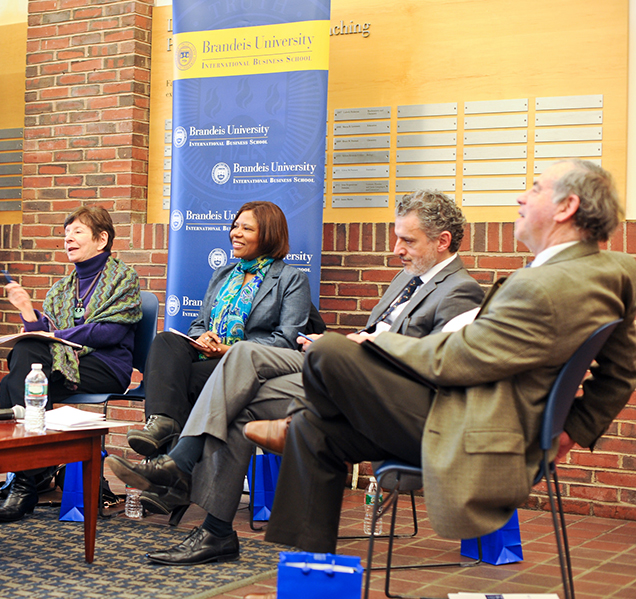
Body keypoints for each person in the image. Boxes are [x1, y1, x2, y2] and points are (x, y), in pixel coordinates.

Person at [252, 159, 636, 556]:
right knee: (314, 432)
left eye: (536, 188)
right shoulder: (619, 270)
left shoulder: (542, 285)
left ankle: (297, 417)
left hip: (470, 429)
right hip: (469, 415)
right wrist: (574, 429)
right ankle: (307, 569)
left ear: (566, 207)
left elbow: (458, 358)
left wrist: (373, 343)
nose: (522, 196)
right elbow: (622, 372)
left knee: (330, 352)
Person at [108, 190, 484, 564]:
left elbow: (439, 368)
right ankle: (216, 532)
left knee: (245, 358)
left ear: (442, 241)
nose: (397, 248)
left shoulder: (459, 291)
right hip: (343, 376)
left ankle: (180, 462)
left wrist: (363, 345)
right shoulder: (406, 279)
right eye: (397, 237)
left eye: (407, 240)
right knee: (239, 408)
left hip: (384, 398)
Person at [126, 201, 312, 459]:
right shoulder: (224, 273)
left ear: (269, 235)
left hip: (248, 368)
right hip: (208, 357)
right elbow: (199, 323)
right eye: (235, 226)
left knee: (183, 382)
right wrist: (202, 337)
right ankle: (162, 424)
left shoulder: (291, 279)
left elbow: (286, 341)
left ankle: (164, 465)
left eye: (246, 229)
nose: (235, 233)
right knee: (166, 340)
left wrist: (228, 350)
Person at [0, 205, 142, 522]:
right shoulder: (60, 289)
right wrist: (28, 313)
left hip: (105, 367)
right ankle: (28, 476)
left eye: (77, 232)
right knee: (22, 366)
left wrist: (57, 333)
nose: (68, 239)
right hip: (63, 365)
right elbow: (42, 340)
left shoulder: (123, 279)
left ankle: (25, 479)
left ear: (101, 240)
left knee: (14, 383)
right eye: (65, 233)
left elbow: (109, 332)